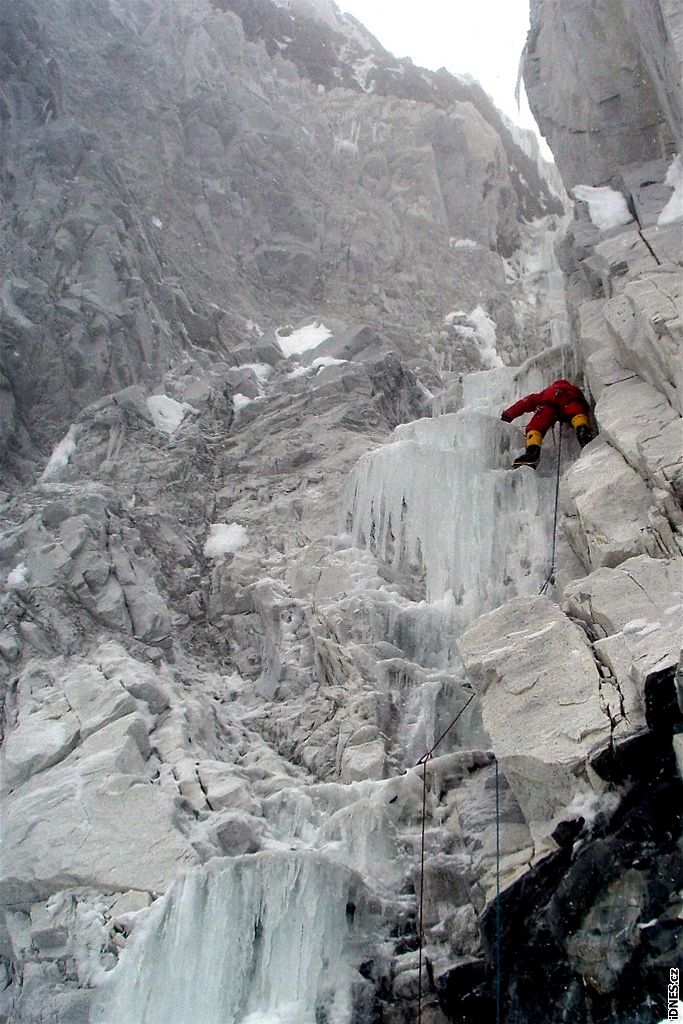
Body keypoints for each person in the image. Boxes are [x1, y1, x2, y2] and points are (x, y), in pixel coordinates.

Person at [501, 379, 593, 469]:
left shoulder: (546, 392)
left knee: (535, 427)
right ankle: (585, 436)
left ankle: (532, 453)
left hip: (549, 405)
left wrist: (507, 415)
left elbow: (525, 403)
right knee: (578, 416)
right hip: (572, 402)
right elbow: (584, 404)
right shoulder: (573, 389)